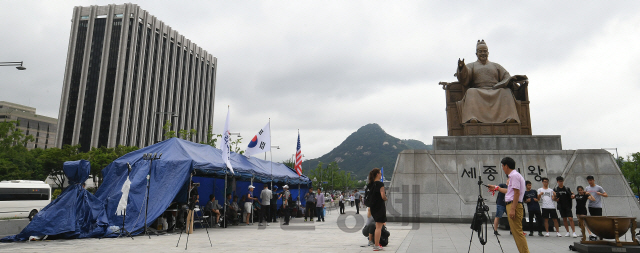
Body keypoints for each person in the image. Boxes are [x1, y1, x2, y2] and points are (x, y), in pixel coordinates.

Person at [455, 40, 521, 124]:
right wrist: (461, 68)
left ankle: (509, 117)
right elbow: (465, 76)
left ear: (488, 53)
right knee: (471, 92)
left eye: (485, 51)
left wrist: (509, 80)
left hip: (495, 89)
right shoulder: (472, 65)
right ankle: (472, 118)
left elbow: (506, 75)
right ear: (476, 53)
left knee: (506, 91)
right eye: (480, 51)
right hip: (479, 90)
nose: (483, 53)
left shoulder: (496, 66)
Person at [488, 157, 529, 253]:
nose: (502, 168)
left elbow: (516, 193)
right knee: (516, 233)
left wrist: (513, 209)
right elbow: (508, 191)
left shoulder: (514, 176)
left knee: (518, 233)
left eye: (502, 166)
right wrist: (496, 188)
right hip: (512, 205)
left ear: (506, 166)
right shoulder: (514, 176)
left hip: (514, 205)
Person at [368, 168, 387, 251]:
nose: (381, 175)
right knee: (379, 226)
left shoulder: (370, 184)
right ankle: (376, 245)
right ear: (377, 175)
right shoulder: (380, 184)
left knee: (377, 225)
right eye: (380, 173)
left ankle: (375, 244)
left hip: (373, 207)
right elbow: (383, 196)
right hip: (380, 207)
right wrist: (386, 198)